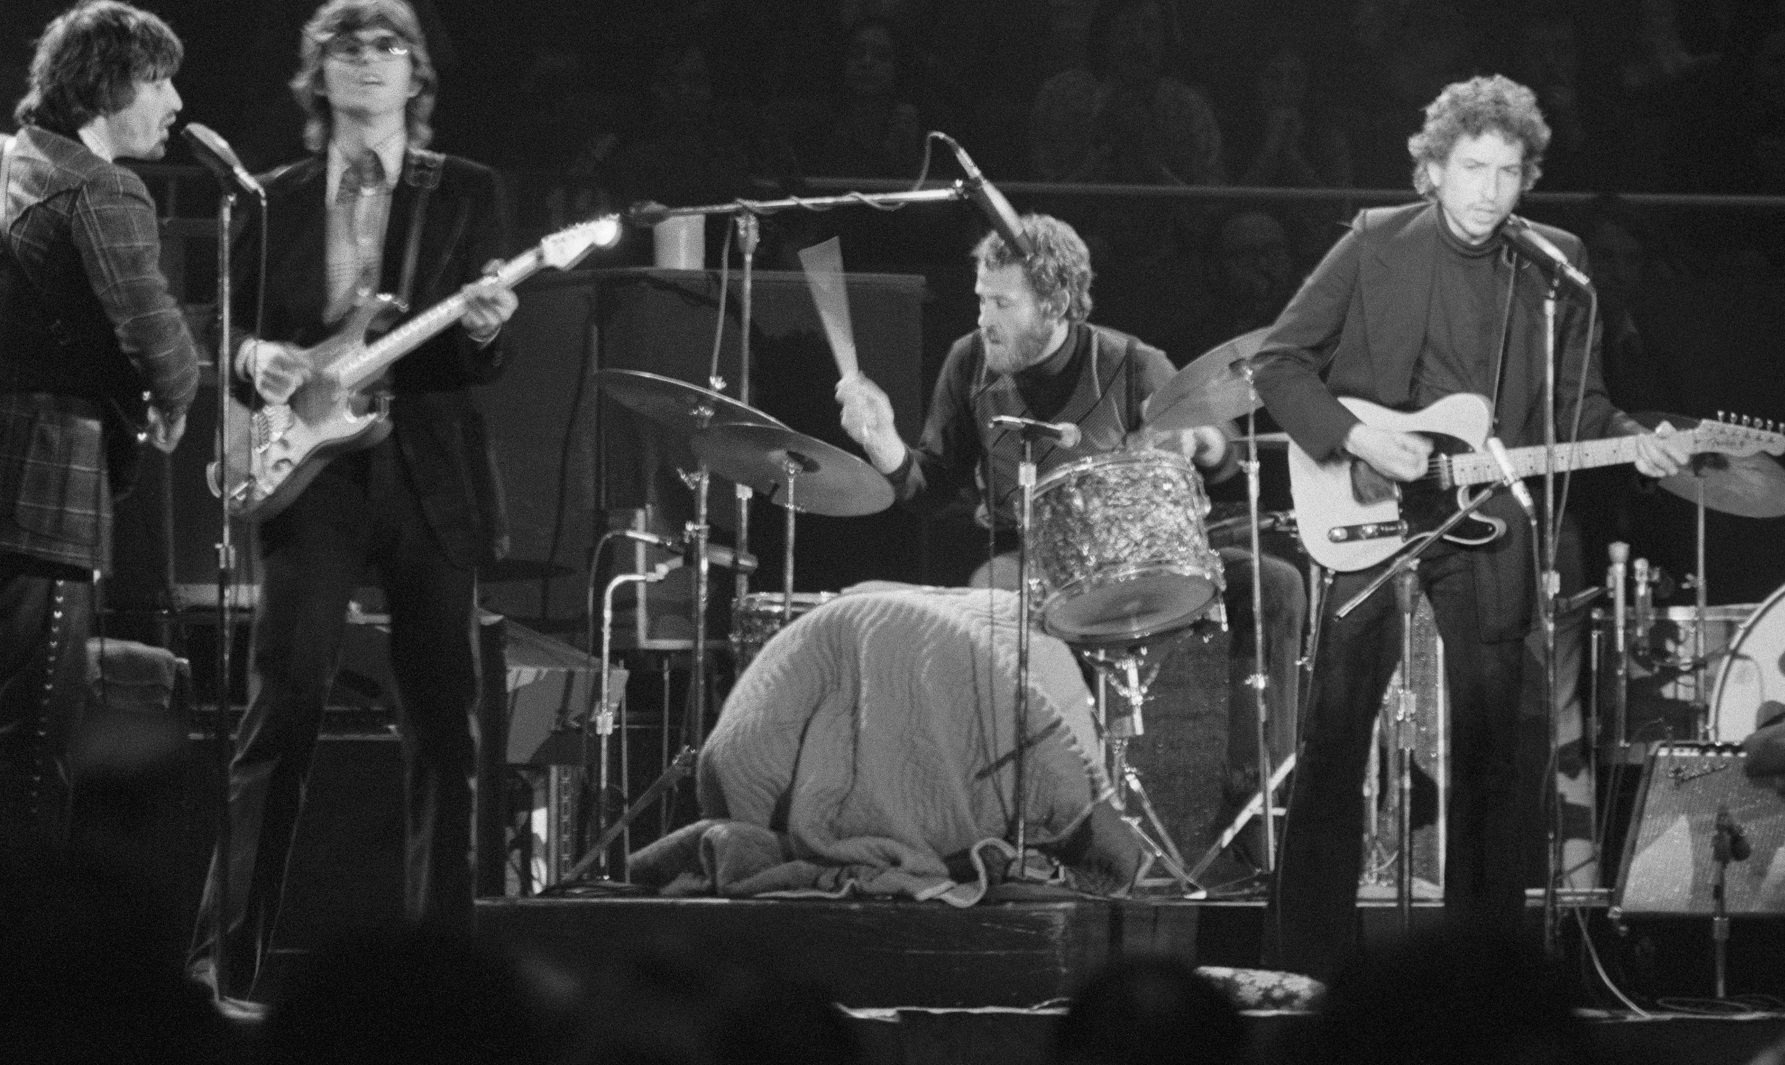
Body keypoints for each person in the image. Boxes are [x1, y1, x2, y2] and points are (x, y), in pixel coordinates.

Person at [1252, 74, 1692, 981]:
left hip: (1490, 514)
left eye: (1506, 170)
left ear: (1527, 176)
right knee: (1334, 735)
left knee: (1499, 742)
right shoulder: (1375, 242)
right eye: (1470, 166)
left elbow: (1583, 407)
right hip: (1366, 506)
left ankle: (1478, 975)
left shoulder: (1555, 267)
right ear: (1432, 169)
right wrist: (1356, 433)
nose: (1488, 189)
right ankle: (1305, 965)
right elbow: (1277, 360)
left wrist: (1632, 443)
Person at [188, 0, 517, 1000]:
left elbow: (483, 359)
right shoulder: (268, 196)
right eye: (347, 47)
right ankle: (222, 963)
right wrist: (255, 357)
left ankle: (440, 982)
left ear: (417, 75)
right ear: (316, 73)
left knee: (443, 733)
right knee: (280, 711)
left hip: (427, 473)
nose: (369, 62)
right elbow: (224, 333)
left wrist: (491, 325)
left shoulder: (466, 191)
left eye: (389, 49)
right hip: (310, 472)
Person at [836, 213, 1306, 881]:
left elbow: (1220, 453)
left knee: (1277, 582)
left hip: (1143, 556)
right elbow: (928, 487)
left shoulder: (1130, 361)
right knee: (988, 596)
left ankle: (1257, 797)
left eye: (1001, 302)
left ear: (1053, 303)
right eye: (979, 298)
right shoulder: (968, 361)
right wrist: (882, 443)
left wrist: (1200, 441)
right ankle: (1025, 819)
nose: (983, 317)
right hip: (1033, 560)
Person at [0, 1, 199, 849]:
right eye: (158, 80)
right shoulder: (101, 186)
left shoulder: (16, 164)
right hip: (48, 487)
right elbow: (157, 336)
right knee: (34, 735)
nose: (175, 101)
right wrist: (177, 396)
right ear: (112, 86)